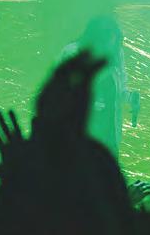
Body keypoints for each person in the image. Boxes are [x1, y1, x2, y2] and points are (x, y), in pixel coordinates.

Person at [59, 15, 139, 158]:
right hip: (79, 136)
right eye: (107, 42)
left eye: (114, 44)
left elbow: (120, 90)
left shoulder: (116, 53)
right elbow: (59, 93)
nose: (111, 48)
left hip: (109, 137)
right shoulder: (72, 53)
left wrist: (131, 98)